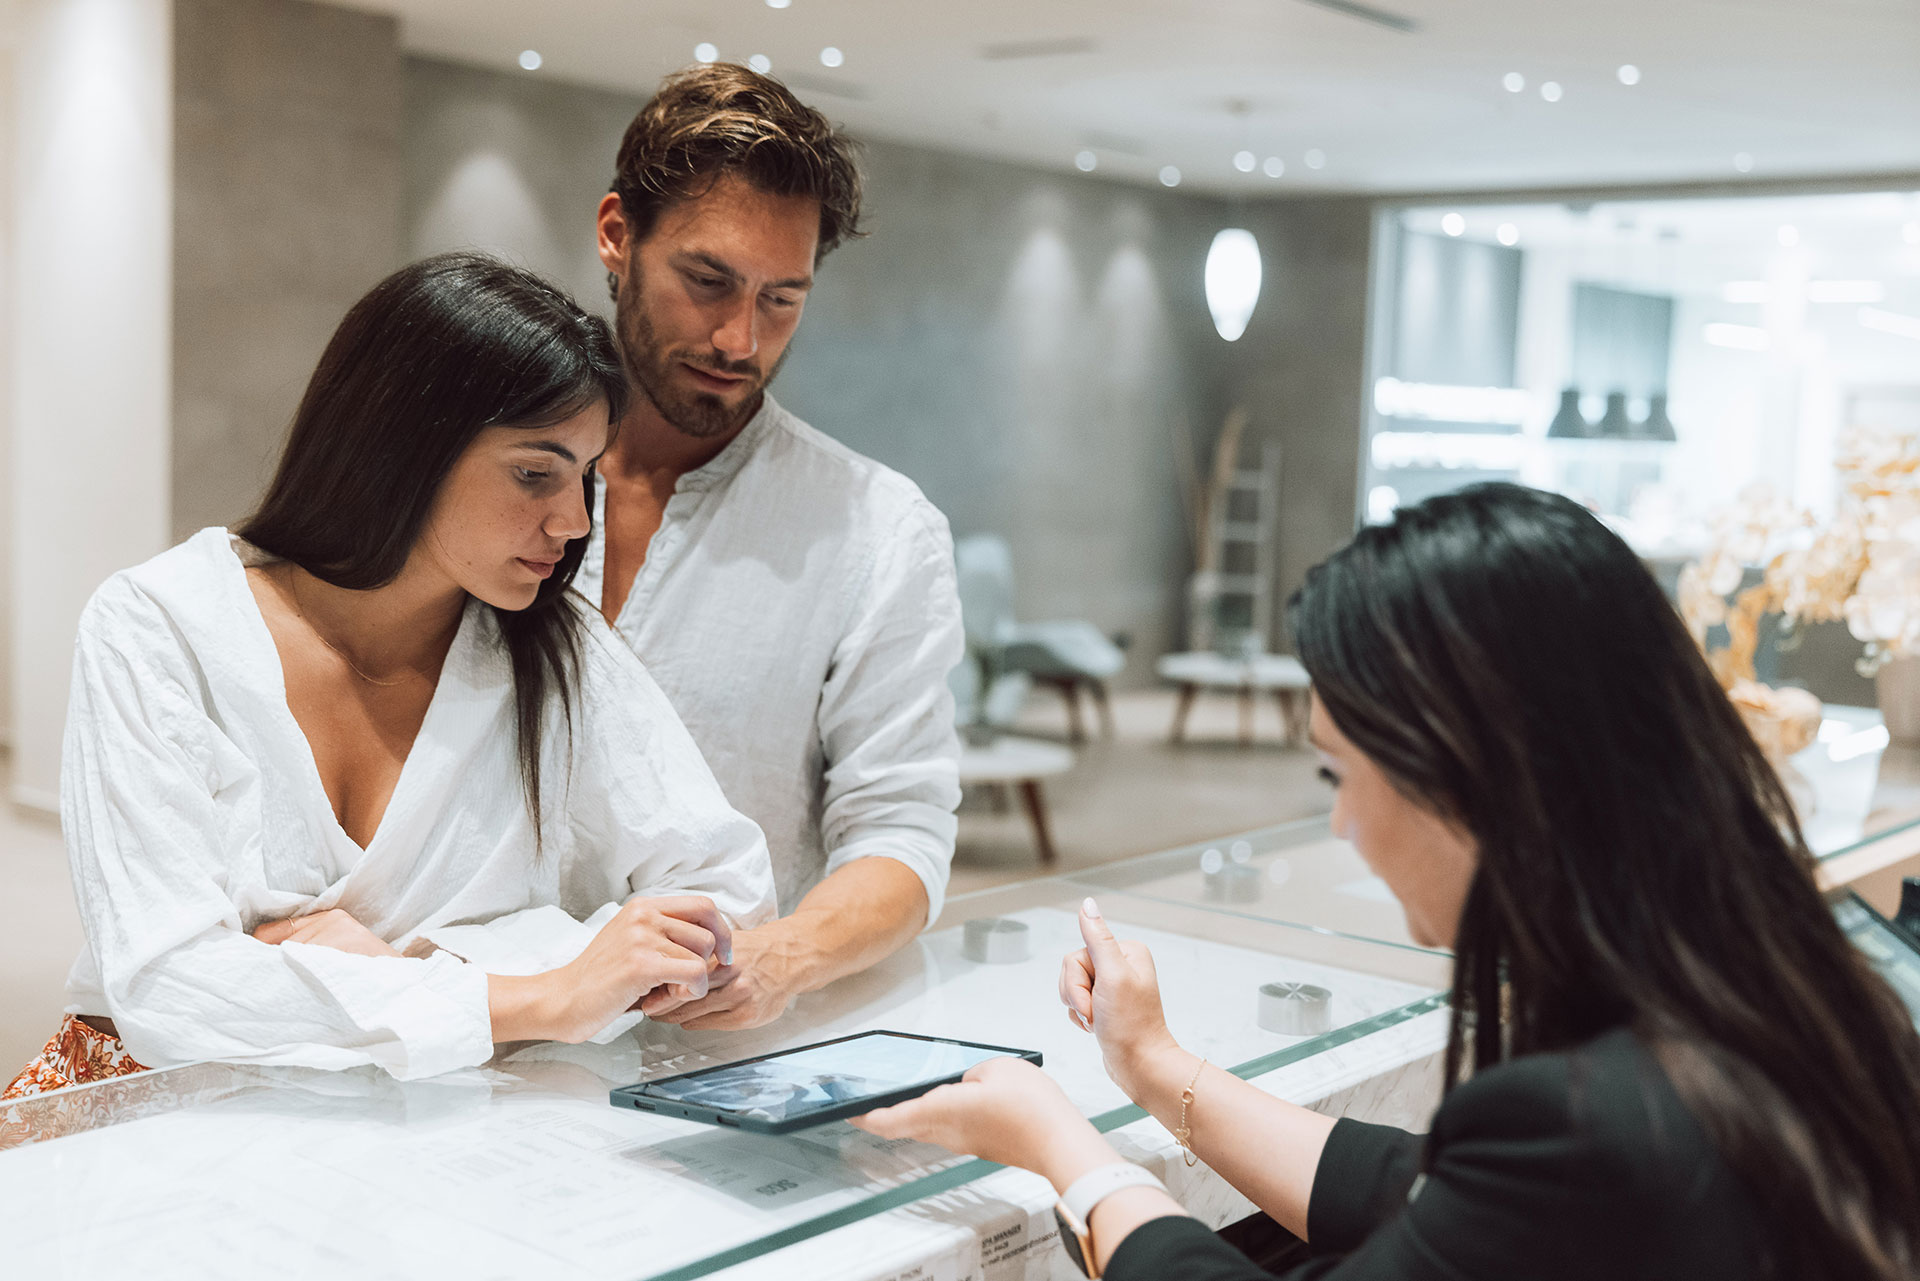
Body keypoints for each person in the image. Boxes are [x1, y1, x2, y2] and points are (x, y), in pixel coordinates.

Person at [852, 483, 1920, 1280]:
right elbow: (1421, 1192)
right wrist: (1151, 1061)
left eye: (1340, 773)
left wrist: (1063, 1150)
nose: (1339, 823)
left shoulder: (1593, 1123)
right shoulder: (1794, 1003)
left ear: (1468, 771)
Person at [4, 253, 776, 1098]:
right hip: (148, 1113)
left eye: (586, 475)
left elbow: (724, 899)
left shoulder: (559, 650)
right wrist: (540, 991)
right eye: (535, 473)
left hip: (407, 1126)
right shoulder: (158, 630)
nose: (574, 521)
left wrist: (417, 963)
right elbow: (167, 987)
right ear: (403, 442)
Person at [575, 64, 964, 1031]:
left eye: (781, 299)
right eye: (707, 281)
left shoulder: (879, 530)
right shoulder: (478, 474)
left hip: (713, 1055)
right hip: (478, 1035)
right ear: (618, 235)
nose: (739, 339)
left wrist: (781, 956)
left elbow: (903, 833)